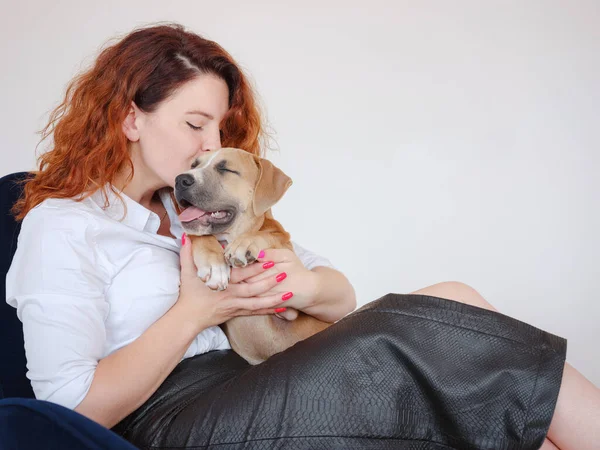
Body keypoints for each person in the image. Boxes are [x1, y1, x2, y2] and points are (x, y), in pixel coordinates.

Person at [5, 23, 599, 450]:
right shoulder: (66, 224)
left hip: (262, 379)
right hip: (177, 421)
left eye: (219, 126)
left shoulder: (210, 208)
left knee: (463, 336)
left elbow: (341, 297)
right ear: (131, 117)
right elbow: (67, 409)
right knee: (449, 316)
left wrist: (302, 282)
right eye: (194, 123)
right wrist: (192, 313)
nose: (211, 145)